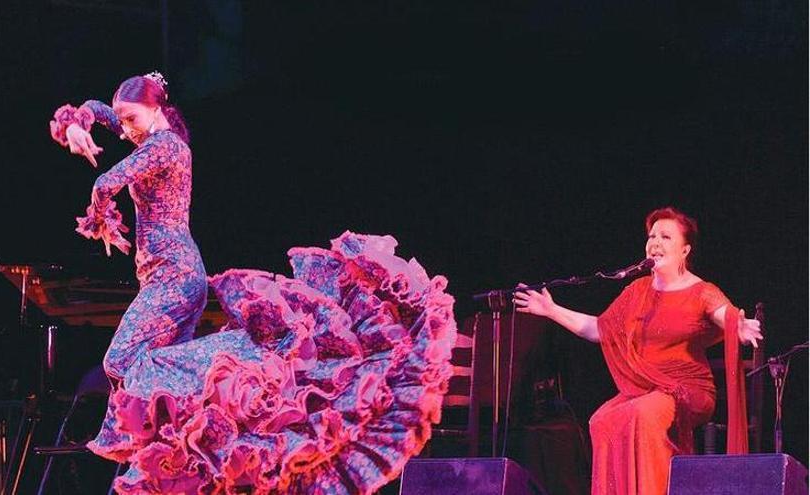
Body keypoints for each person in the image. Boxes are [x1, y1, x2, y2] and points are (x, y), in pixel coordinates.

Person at [50, 75, 457, 494]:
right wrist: (81, 121)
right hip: (167, 273)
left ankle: (243, 360)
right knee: (168, 400)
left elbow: (105, 182)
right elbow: (103, 113)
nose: (126, 129)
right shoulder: (149, 133)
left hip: (174, 273)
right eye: (123, 121)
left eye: (131, 119)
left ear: (156, 110)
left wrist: (100, 213)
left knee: (122, 363)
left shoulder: (165, 146)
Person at [513, 207, 763, 495]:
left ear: (685, 250)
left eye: (666, 237)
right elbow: (599, 329)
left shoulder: (702, 291)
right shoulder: (637, 290)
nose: (655, 242)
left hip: (687, 389)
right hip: (645, 390)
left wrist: (738, 325)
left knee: (643, 414)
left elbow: (725, 313)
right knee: (602, 420)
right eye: (651, 236)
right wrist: (552, 310)